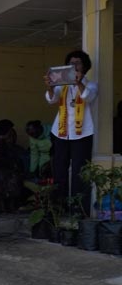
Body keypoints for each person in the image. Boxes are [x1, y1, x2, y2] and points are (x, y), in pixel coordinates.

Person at [44, 50, 97, 214]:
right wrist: (51, 87)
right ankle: (59, 210)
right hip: (61, 133)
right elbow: (51, 99)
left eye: (78, 63)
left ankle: (78, 210)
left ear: (85, 67)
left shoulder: (91, 84)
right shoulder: (62, 85)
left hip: (83, 134)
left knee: (79, 173)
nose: (74, 66)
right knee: (59, 170)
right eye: (71, 63)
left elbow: (88, 97)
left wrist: (79, 83)